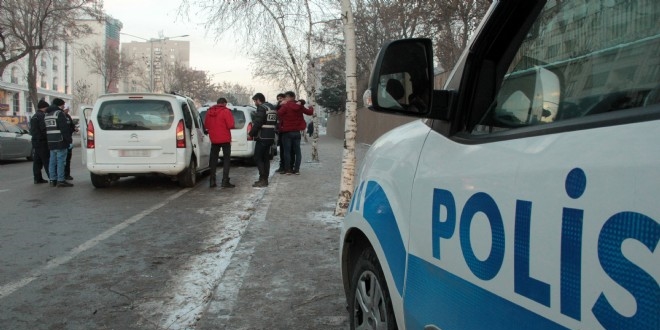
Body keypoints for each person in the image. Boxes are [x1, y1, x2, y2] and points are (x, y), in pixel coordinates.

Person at [277, 91, 313, 175]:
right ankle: (297, 170)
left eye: (286, 97)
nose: (285, 99)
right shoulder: (299, 106)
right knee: (297, 151)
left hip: (287, 132)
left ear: (290, 97)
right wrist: (311, 107)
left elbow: (278, 113)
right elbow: (309, 112)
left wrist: (281, 105)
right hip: (297, 132)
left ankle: (288, 170)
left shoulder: (285, 106)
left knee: (287, 151)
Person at [204, 97, 235, 188]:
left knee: (213, 160)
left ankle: (212, 181)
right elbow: (230, 125)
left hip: (214, 139)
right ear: (224, 103)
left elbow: (206, 125)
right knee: (226, 160)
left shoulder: (209, 112)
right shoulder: (226, 111)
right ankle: (225, 181)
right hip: (225, 139)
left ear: (217, 103)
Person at [249, 93, 278, 187]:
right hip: (270, 136)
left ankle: (262, 179)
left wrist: (251, 133)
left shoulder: (262, 108)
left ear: (258, 100)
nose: (255, 103)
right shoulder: (272, 107)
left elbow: (258, 122)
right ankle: (265, 178)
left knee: (257, 157)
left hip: (262, 136)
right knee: (265, 158)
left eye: (255, 101)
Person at [45, 98, 73, 187]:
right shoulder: (59, 114)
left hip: (51, 141)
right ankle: (61, 180)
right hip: (60, 141)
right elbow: (64, 129)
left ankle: (52, 179)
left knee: (52, 161)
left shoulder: (47, 114)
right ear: (60, 105)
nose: (64, 107)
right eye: (63, 105)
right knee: (61, 161)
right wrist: (69, 140)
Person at [30, 100, 50, 184]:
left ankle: (37, 178)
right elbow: (43, 129)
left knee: (37, 161)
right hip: (42, 141)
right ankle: (52, 177)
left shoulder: (34, 116)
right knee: (46, 160)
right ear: (44, 107)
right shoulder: (42, 116)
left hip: (35, 140)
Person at [62, 104, 78, 181]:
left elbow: (72, 126)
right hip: (62, 141)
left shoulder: (68, 116)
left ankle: (67, 174)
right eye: (66, 109)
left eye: (68, 109)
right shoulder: (60, 116)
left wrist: (74, 128)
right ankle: (62, 175)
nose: (67, 110)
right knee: (62, 159)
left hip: (69, 139)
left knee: (68, 158)